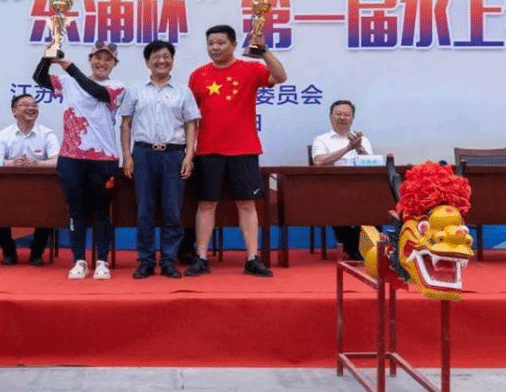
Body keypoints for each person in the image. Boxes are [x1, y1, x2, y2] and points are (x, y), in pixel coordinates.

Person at [186, 24, 287, 277]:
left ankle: (252, 258)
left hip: (244, 148)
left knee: (247, 204)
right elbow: (190, 118)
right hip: (208, 149)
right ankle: (201, 257)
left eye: (220, 43)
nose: (215, 47)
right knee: (206, 204)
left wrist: (263, 51)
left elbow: (280, 77)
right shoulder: (198, 75)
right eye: (211, 43)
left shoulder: (251, 69)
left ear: (233, 44)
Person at [33, 40, 126, 280]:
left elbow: (97, 92)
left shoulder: (117, 87)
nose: (102, 63)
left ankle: (102, 261)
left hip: (104, 158)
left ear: (114, 64)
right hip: (72, 158)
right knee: (76, 211)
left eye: (108, 60)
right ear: (90, 59)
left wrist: (70, 67)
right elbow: (39, 78)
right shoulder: (68, 83)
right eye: (97, 58)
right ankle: (79, 261)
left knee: (102, 212)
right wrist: (48, 55)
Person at [120, 40, 200, 279]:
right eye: (156, 57)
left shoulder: (183, 92)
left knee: (172, 212)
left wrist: (189, 156)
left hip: (174, 155)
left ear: (172, 61)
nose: (162, 61)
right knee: (144, 211)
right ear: (147, 62)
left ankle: (168, 261)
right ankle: (145, 261)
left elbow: (191, 125)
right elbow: (126, 124)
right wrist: (127, 156)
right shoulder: (135, 90)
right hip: (143, 154)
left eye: (166, 56)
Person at [0, 93, 60, 266]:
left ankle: (37, 252)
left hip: (41, 189)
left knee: (50, 208)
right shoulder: (4, 135)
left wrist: (38, 164)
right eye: (25, 105)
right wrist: (12, 163)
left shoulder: (47, 134)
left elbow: (58, 161)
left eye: (34, 105)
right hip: (8, 189)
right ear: (14, 111)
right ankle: (9, 252)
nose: (31, 108)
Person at [310, 99, 373, 261]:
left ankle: (369, 247)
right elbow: (319, 161)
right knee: (338, 204)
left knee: (375, 201)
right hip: (332, 189)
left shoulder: (362, 140)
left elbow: (371, 164)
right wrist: (347, 148)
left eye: (346, 114)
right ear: (331, 116)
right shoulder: (321, 140)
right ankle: (354, 249)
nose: (342, 117)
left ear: (352, 118)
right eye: (338, 114)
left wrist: (359, 148)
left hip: (360, 188)